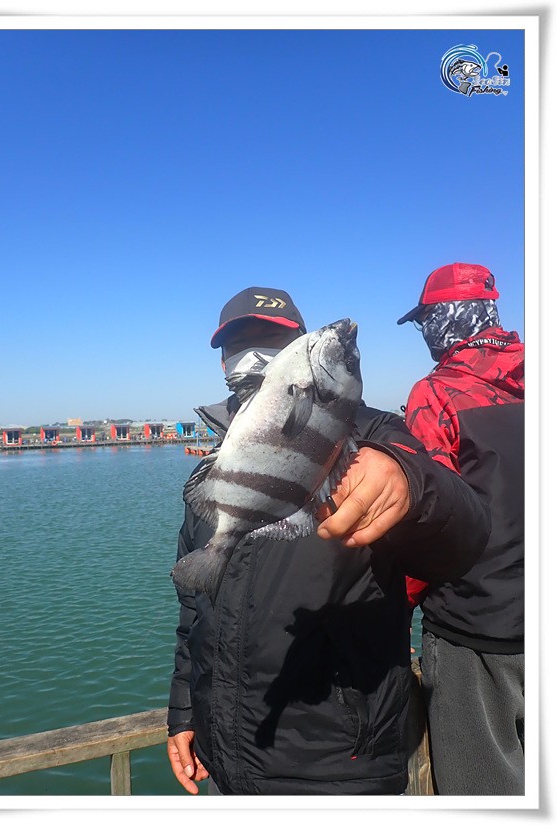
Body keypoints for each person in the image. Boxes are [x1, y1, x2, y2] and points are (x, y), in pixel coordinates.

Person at [167, 285, 490, 796]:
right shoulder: (222, 462)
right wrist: (185, 712)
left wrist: (410, 483)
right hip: (221, 759)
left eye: (272, 338)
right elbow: (194, 610)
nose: (252, 354)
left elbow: (465, 537)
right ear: (223, 361)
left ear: (299, 348)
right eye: (237, 343)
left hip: (337, 767)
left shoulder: (376, 435)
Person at [397, 262, 524, 795]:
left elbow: (431, 524)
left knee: (482, 793)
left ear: (448, 317)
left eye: (427, 320)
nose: (426, 333)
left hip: (475, 634)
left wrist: (394, 609)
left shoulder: (436, 395)